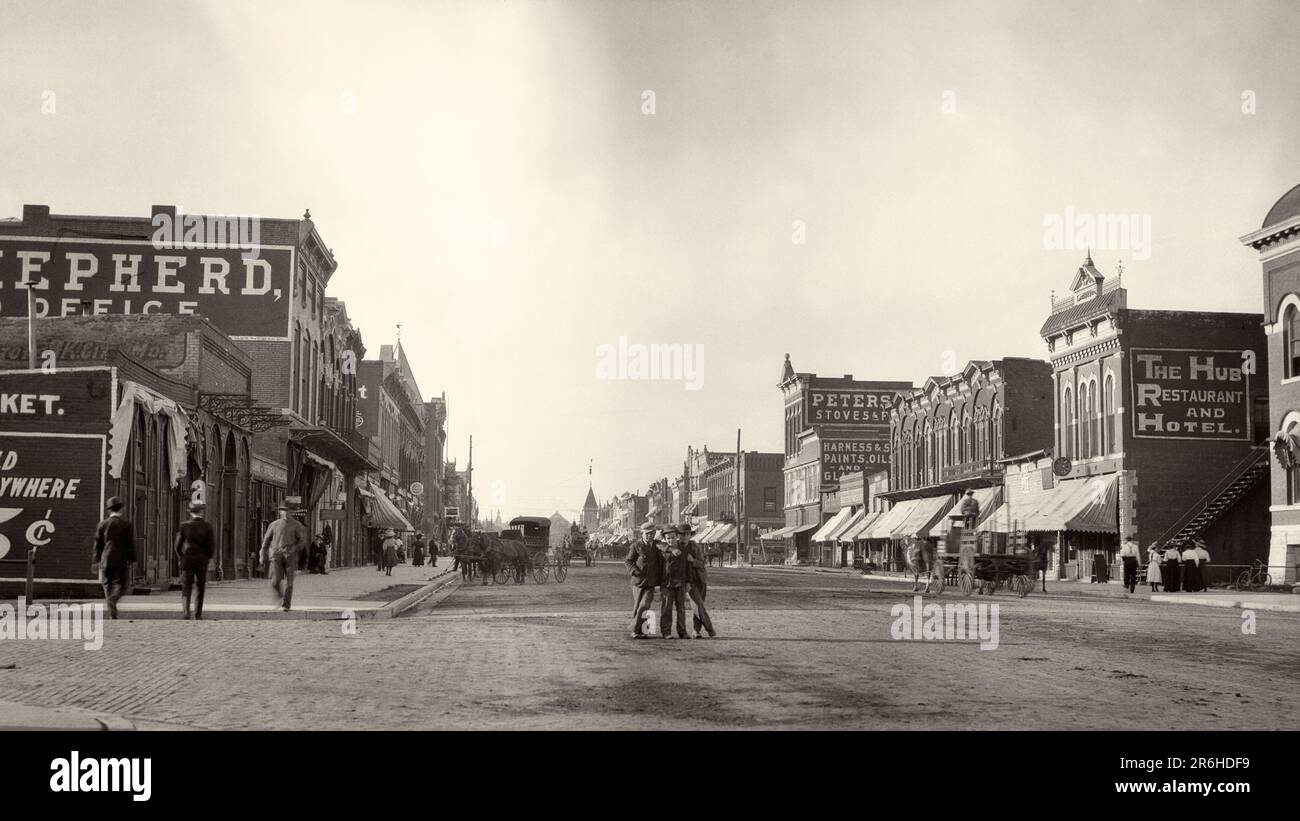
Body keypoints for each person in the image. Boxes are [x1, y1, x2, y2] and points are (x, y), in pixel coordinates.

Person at [93, 497, 136, 620]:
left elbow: (97, 545)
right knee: (122, 585)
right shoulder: (126, 525)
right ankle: (113, 599)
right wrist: (132, 559)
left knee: (107, 585)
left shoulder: (102, 525)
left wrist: (96, 560)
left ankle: (112, 612)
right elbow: (130, 544)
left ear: (109, 510)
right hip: (121, 560)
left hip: (106, 560)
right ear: (121, 509)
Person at [260, 503, 307, 612]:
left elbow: (302, 542)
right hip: (276, 555)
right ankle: (280, 597)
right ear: (280, 512)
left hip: (290, 556)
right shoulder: (274, 525)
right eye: (283, 510)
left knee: (289, 582)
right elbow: (266, 540)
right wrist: (262, 554)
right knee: (275, 581)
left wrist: (294, 548)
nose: (285, 512)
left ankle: (286, 604)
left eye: (288, 510)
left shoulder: (296, 525)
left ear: (291, 512)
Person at [174, 501, 215, 619]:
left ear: (191, 513)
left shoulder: (184, 526)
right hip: (201, 561)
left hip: (187, 560)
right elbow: (210, 546)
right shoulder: (207, 526)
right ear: (201, 512)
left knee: (186, 587)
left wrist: (181, 556)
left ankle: (186, 613)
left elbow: (177, 545)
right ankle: (198, 614)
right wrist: (207, 557)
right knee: (200, 587)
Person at [624, 522, 663, 639]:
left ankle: (634, 629)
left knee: (645, 604)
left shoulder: (657, 545)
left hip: (651, 582)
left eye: (652, 533)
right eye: (647, 534)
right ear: (642, 534)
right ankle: (642, 630)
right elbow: (628, 561)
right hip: (638, 581)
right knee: (638, 606)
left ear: (655, 533)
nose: (649, 536)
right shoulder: (636, 546)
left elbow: (667, 548)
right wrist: (635, 571)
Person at [680, 524, 716, 638]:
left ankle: (696, 631)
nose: (685, 537)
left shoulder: (696, 547)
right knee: (698, 604)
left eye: (687, 534)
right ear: (678, 535)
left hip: (700, 580)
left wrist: (693, 560)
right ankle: (710, 629)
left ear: (690, 535)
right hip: (689, 581)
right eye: (682, 534)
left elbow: (702, 564)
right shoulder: (676, 548)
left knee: (698, 606)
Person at [658, 527, 691, 639]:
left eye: (673, 537)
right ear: (665, 539)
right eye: (668, 538)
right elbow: (657, 544)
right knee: (666, 608)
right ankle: (666, 632)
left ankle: (682, 632)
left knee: (681, 608)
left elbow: (688, 568)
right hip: (667, 583)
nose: (671, 540)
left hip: (680, 583)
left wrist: (688, 582)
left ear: (677, 536)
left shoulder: (683, 549)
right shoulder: (662, 549)